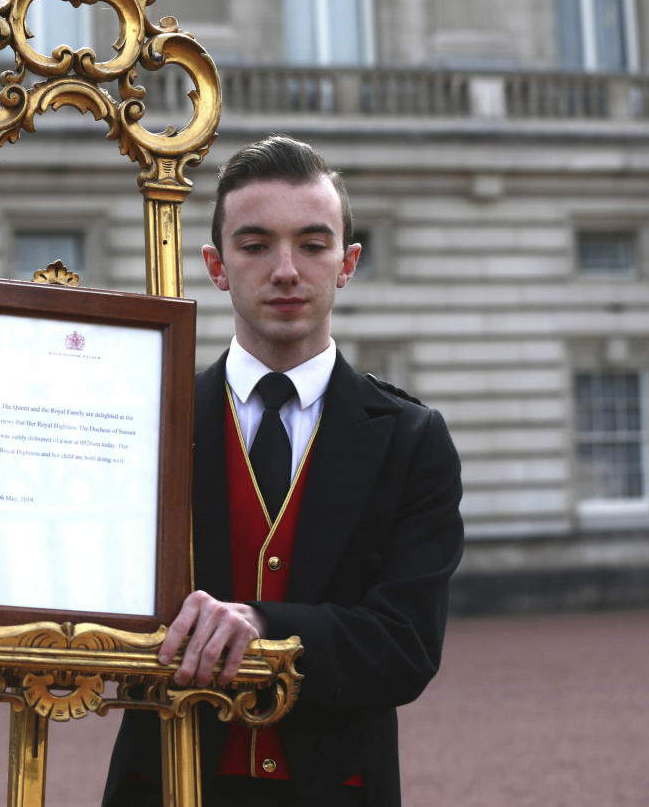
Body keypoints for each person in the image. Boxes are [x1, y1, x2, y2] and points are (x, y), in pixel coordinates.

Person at [103, 136, 464, 806]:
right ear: (216, 264)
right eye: (256, 244)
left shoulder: (413, 440)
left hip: (335, 788)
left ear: (348, 263)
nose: (287, 269)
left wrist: (265, 624)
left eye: (313, 243)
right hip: (167, 780)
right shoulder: (147, 420)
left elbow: (406, 646)